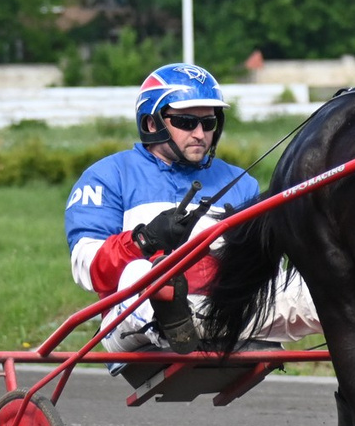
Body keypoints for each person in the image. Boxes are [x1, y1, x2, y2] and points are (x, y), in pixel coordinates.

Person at [65, 63, 318, 364]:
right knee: (144, 274)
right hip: (135, 323)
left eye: (208, 124)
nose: (200, 134)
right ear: (150, 123)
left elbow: (264, 272)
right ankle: (175, 321)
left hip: (230, 311)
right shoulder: (107, 176)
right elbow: (87, 269)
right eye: (186, 122)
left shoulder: (241, 181)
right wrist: (143, 241)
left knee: (334, 280)